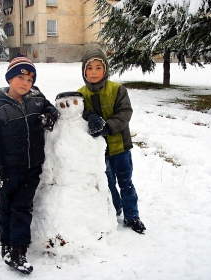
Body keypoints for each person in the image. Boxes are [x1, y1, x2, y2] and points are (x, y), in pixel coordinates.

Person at [0, 54, 58, 274]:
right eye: (21, 77)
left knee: (22, 207)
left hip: (32, 167)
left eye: (31, 79)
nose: (26, 83)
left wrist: (50, 114)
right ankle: (6, 243)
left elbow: (50, 107)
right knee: (4, 208)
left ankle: (18, 249)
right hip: (7, 169)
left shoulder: (37, 100)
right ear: (9, 78)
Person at [77, 48, 146, 234]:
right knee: (107, 183)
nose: (93, 72)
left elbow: (125, 113)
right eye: (89, 68)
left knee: (126, 182)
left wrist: (108, 126)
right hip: (99, 151)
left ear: (105, 69)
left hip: (120, 147)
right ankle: (115, 210)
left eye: (98, 67)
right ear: (84, 71)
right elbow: (76, 115)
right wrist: (88, 115)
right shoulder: (80, 95)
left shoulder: (117, 90)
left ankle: (132, 215)